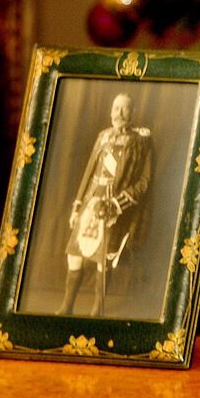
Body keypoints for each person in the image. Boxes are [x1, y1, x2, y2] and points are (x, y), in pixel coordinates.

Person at [58, 93, 152, 316]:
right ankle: (67, 307)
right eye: (115, 108)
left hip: (114, 207)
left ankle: (96, 310)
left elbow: (144, 182)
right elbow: (89, 172)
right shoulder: (103, 137)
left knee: (103, 259)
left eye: (124, 109)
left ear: (133, 113)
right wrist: (77, 206)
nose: (118, 113)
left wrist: (118, 204)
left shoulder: (141, 142)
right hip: (92, 203)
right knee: (75, 253)